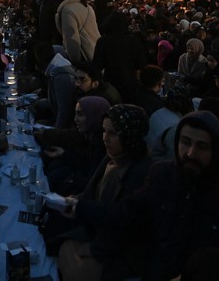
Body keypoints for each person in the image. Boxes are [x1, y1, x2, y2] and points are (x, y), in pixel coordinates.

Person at [74, 112, 219, 279]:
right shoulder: (163, 175)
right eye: (185, 142)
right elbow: (127, 211)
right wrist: (77, 207)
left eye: (202, 146)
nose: (190, 153)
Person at [58, 104, 153, 281]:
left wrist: (93, 249)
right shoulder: (112, 156)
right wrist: (76, 200)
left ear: (129, 135)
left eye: (113, 133)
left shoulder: (142, 173)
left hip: (119, 250)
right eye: (104, 131)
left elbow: (125, 222)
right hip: (96, 232)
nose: (105, 138)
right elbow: (94, 192)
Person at [55, 0, 101, 68]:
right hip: (95, 48)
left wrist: (74, 61)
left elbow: (71, 39)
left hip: (84, 53)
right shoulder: (87, 7)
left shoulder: (67, 10)